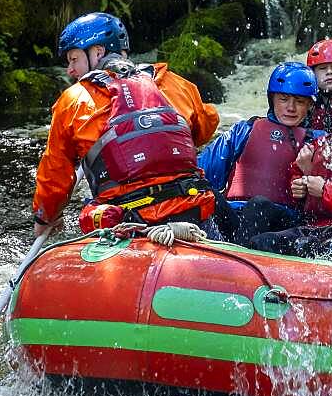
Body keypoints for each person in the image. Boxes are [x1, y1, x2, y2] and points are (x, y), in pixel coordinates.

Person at [33, 12, 220, 238]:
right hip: (191, 213)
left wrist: (45, 218)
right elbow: (205, 128)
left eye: (74, 59)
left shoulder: (73, 100)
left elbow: (55, 173)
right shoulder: (173, 82)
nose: (70, 70)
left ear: (98, 52)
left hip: (124, 224)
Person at [249, 75, 332, 256]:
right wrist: (300, 185)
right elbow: (300, 186)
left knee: (316, 247)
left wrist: (325, 190)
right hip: (318, 226)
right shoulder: (325, 141)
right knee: (260, 240)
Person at [198, 61, 320, 244]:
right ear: (272, 99)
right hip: (235, 216)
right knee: (206, 194)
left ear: (310, 105)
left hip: (281, 224)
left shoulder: (318, 140)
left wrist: (310, 171)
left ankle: (238, 262)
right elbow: (203, 171)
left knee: (259, 205)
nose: (291, 108)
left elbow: (328, 197)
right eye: (284, 99)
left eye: (300, 101)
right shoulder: (244, 130)